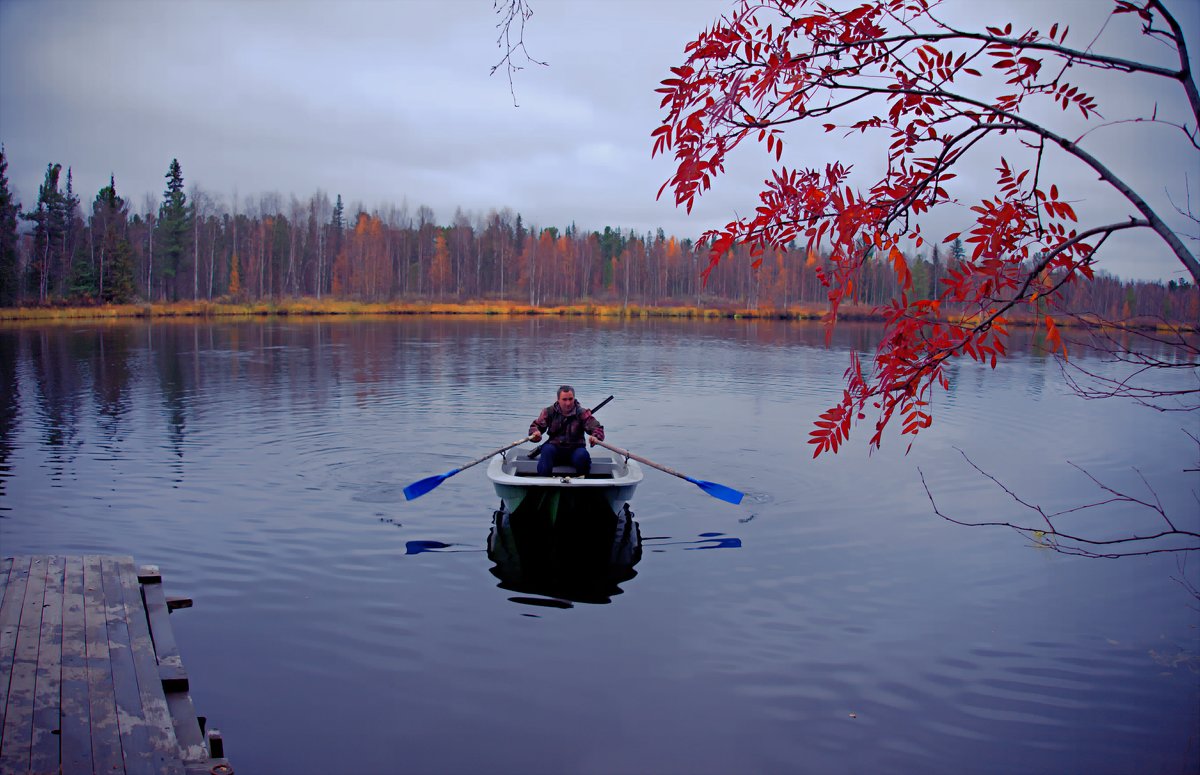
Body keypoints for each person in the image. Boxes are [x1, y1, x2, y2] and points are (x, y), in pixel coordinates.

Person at [529, 385, 605, 476]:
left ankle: (583, 484)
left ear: (574, 398)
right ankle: (543, 483)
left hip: (575, 451)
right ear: (558, 400)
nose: (568, 403)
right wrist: (535, 434)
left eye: (570, 399)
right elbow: (536, 426)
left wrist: (595, 437)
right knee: (546, 450)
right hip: (554, 450)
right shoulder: (548, 412)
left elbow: (597, 428)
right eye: (564, 399)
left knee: (582, 455)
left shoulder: (582, 413)